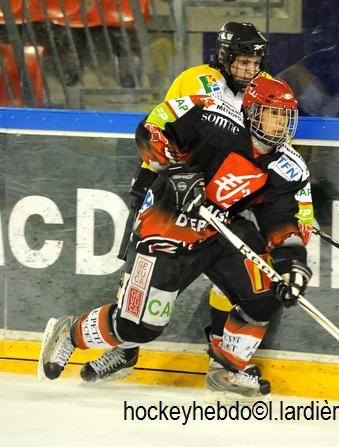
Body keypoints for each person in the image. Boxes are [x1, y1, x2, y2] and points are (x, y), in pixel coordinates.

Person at [38, 76, 312, 399]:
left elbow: (282, 220)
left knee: (266, 291)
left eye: (285, 116)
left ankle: (227, 370)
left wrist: (292, 264)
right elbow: (152, 126)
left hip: (219, 228)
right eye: (273, 114)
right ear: (252, 112)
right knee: (138, 327)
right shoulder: (211, 114)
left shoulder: (288, 166)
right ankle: (70, 333)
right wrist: (176, 170)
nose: (280, 124)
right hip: (167, 222)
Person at [78, 21, 306, 386]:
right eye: (242, 61)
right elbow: (166, 125)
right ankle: (125, 348)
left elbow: (270, 149)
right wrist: (159, 174)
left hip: (227, 199)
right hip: (173, 189)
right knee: (140, 269)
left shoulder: (266, 88)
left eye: (255, 62)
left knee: (244, 275)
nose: (249, 69)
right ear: (225, 57)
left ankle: (222, 361)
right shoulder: (196, 80)